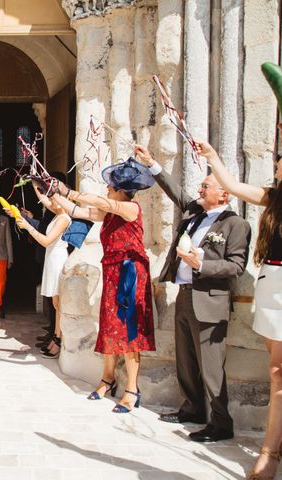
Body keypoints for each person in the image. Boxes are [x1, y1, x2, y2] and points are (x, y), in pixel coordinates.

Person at [134, 144, 251, 442]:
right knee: (185, 360)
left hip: (210, 300)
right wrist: (152, 163)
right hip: (185, 295)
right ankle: (192, 408)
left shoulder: (236, 225)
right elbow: (177, 192)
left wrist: (202, 264)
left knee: (212, 367)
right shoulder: (196, 212)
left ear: (223, 193)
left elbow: (236, 266)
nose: (200, 189)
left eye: (206, 185)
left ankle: (221, 424)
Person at [193, 139, 281, 477]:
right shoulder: (274, 198)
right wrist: (213, 155)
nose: (276, 163)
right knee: (277, 371)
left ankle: (270, 452)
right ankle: (271, 451)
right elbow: (231, 186)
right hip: (273, 283)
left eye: (281, 159)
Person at [52, 158, 156, 413]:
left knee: (129, 331)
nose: (107, 189)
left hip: (130, 273)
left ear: (121, 189)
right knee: (110, 327)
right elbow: (79, 211)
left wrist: (70, 191)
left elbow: (101, 202)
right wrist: (51, 190)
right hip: (112, 272)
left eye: (110, 186)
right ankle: (106, 379)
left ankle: (132, 388)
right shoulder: (111, 211)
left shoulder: (130, 208)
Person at [15, 187, 70, 358]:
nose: (48, 201)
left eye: (52, 198)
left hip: (58, 259)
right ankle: (55, 337)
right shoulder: (57, 213)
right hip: (51, 259)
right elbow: (43, 198)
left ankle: (59, 341)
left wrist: (27, 227)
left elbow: (46, 241)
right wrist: (33, 180)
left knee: (59, 304)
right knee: (55, 304)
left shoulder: (63, 218)